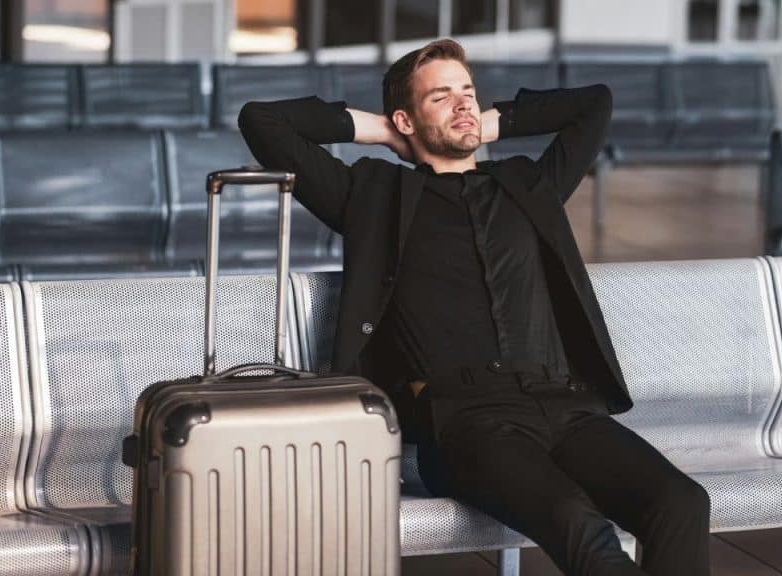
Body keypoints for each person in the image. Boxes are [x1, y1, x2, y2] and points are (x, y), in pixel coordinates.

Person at [238, 38, 711, 576]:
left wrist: (487, 123)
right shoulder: (371, 196)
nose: (464, 104)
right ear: (405, 119)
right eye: (441, 97)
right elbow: (262, 120)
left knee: (681, 503)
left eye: (469, 91)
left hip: (563, 404)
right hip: (466, 424)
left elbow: (593, 103)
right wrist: (383, 131)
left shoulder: (529, 185)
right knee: (581, 526)